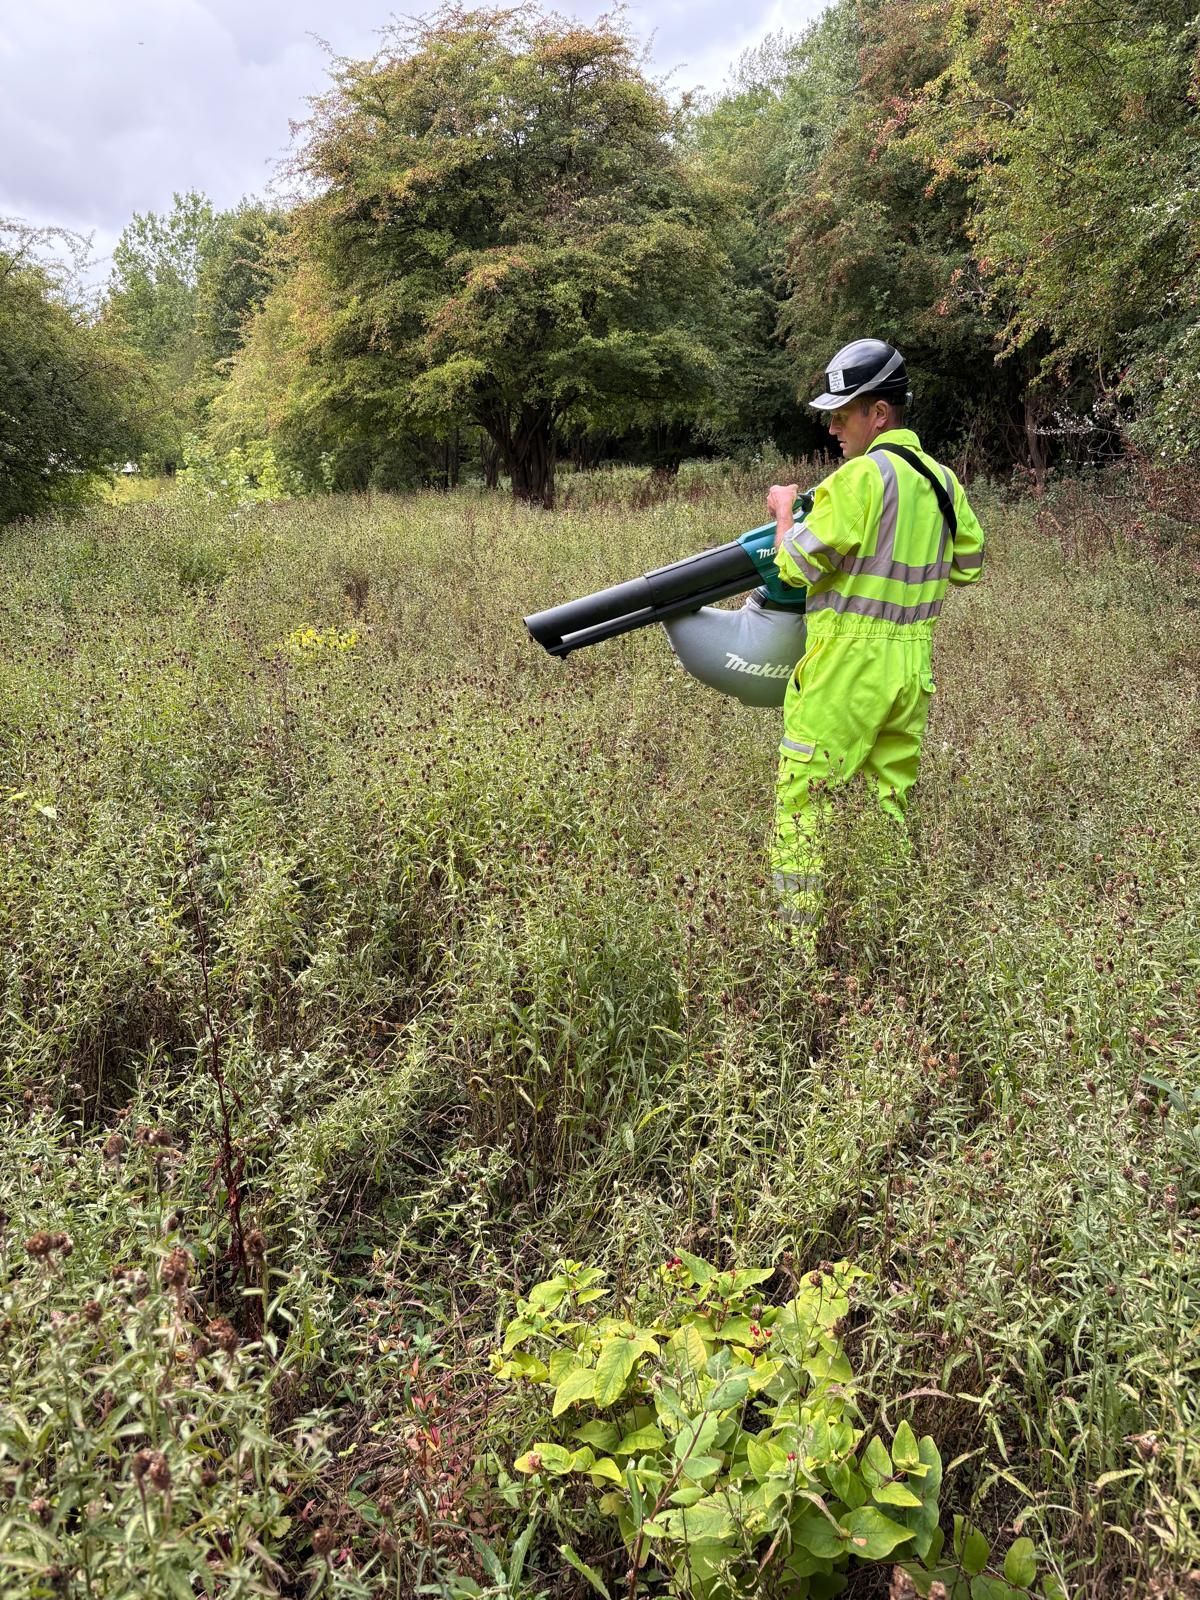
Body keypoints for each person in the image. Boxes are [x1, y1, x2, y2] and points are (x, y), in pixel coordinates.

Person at [765, 338, 986, 951]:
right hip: (911, 669)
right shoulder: (943, 484)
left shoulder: (859, 478)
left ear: (879, 414)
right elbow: (968, 563)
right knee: (888, 800)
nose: (833, 427)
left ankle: (794, 955)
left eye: (843, 412)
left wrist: (787, 509)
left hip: (846, 670)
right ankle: (883, 935)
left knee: (805, 798)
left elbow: (794, 566)